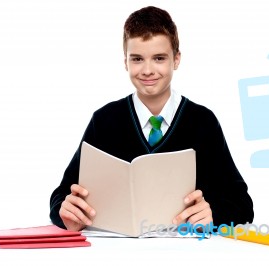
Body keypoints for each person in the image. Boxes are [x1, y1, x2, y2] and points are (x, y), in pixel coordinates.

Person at [50, 6, 254, 232]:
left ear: (176, 60)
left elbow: (242, 205)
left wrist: (214, 213)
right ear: (125, 62)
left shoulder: (203, 122)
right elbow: (61, 196)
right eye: (137, 59)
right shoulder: (104, 121)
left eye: (159, 58)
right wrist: (66, 211)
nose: (147, 70)